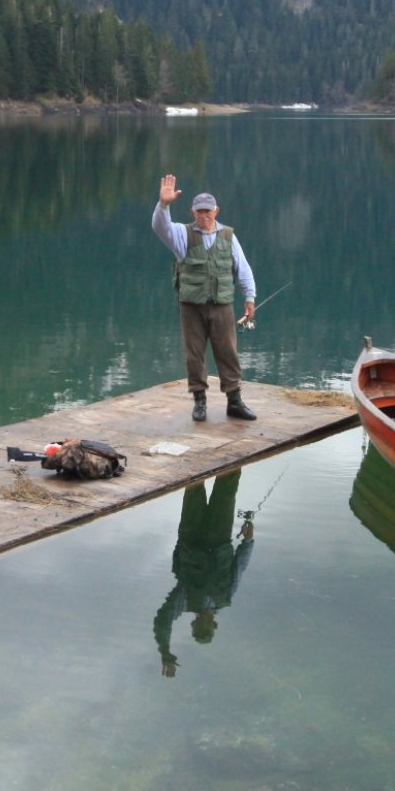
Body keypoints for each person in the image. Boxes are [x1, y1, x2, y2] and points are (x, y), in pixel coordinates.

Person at [152, 174, 257, 422]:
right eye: (199, 211)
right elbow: (160, 227)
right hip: (192, 307)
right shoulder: (181, 234)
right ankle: (200, 402)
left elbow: (243, 268)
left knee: (228, 353)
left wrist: (250, 297)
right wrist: (163, 205)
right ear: (193, 212)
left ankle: (234, 401)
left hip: (222, 306)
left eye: (207, 211)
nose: (203, 215)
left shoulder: (229, 236)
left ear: (216, 211)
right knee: (194, 355)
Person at [153, 470, 254, 677]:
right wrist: (248, 541)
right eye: (206, 631)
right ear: (215, 626)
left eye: (198, 630)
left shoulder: (185, 601)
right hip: (220, 537)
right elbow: (239, 567)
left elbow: (163, 618)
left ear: (192, 624)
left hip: (191, 536)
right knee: (227, 486)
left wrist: (165, 650)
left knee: (193, 485)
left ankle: (196, 458)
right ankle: (234, 452)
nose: (203, 626)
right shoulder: (225, 597)